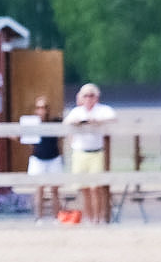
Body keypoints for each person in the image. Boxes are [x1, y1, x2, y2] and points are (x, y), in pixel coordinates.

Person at [64, 83, 116, 223]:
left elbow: (113, 118)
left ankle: (98, 218)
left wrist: (97, 121)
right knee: (84, 188)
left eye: (91, 95)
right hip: (80, 152)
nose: (88, 98)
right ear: (80, 97)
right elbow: (66, 123)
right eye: (85, 95)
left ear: (96, 97)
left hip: (96, 152)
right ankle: (89, 217)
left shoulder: (102, 110)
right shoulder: (77, 112)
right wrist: (75, 124)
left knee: (96, 187)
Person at [22, 95, 64, 218]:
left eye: (43, 107)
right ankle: (38, 218)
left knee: (55, 191)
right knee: (39, 190)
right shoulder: (31, 124)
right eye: (38, 108)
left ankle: (57, 217)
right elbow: (23, 137)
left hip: (53, 158)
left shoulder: (56, 122)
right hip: (38, 158)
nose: (41, 110)